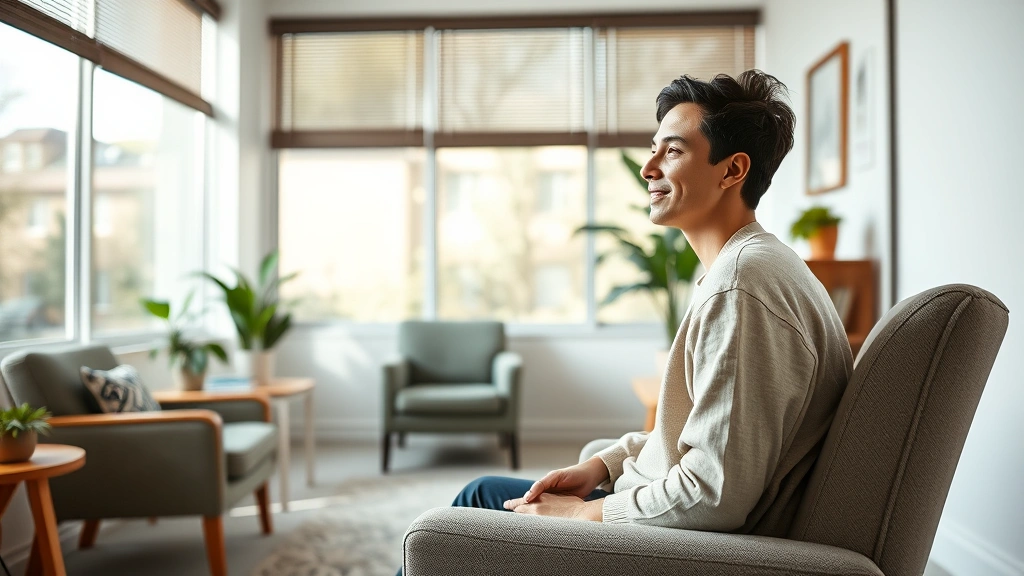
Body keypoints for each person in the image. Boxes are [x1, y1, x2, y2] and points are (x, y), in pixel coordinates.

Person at [401, 69, 851, 575]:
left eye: (672, 151)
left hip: (695, 549)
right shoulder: (750, 266)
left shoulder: (742, 286)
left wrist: (584, 514)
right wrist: (605, 465)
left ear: (732, 170)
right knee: (483, 492)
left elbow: (714, 494)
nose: (648, 168)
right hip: (672, 523)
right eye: (653, 149)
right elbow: (703, 435)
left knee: (460, 513)